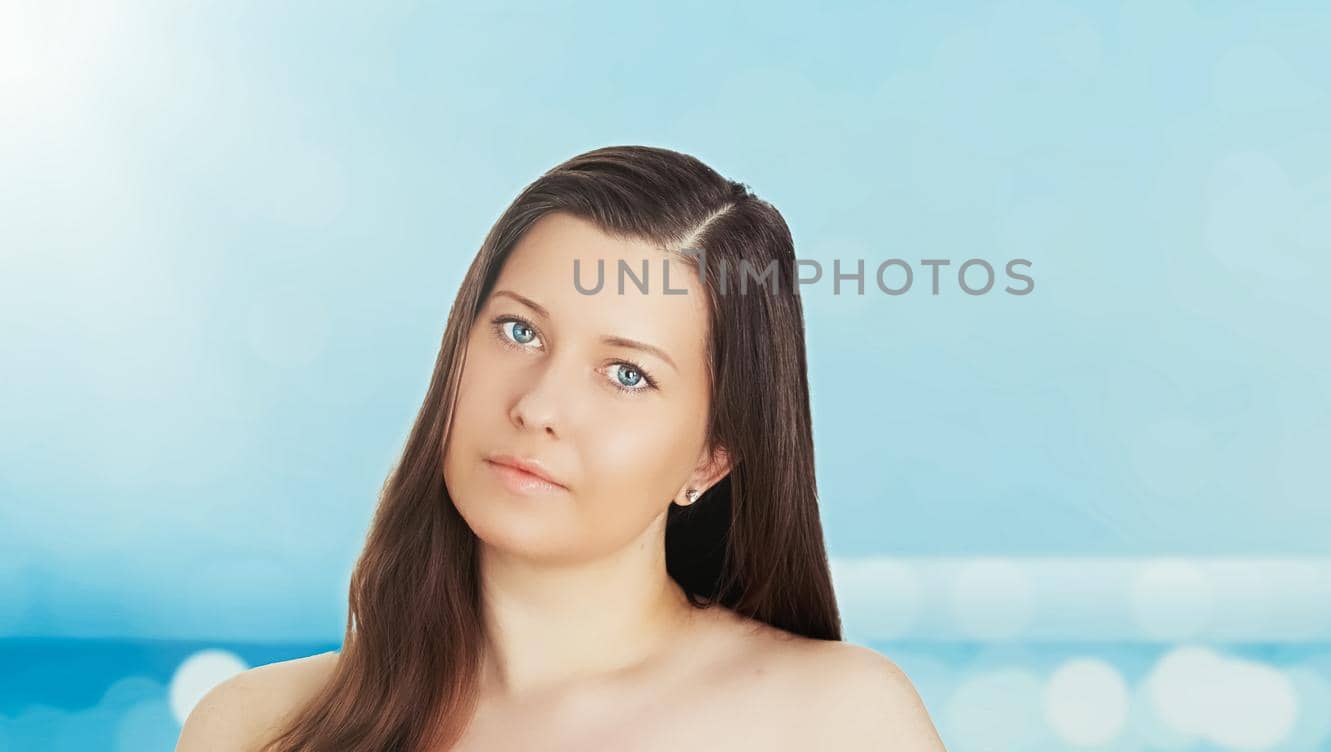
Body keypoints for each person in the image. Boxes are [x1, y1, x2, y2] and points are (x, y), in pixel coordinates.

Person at [177, 145, 946, 750]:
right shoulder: (257, 729)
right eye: (519, 331)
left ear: (712, 458)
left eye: (626, 374)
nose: (539, 406)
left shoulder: (834, 723)